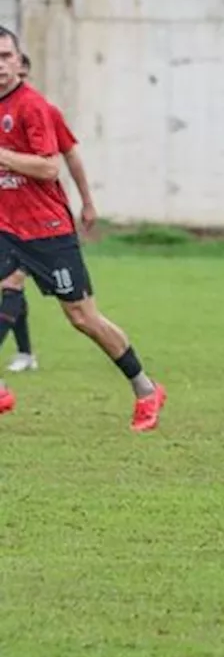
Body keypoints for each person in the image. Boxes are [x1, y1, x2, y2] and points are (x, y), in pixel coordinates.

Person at [0, 27, 165, 427]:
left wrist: (87, 202)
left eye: (5, 57)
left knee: (81, 317)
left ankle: (145, 388)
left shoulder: (33, 108)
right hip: (6, 228)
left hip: (47, 230)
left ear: (20, 62)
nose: (0, 66)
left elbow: (50, 165)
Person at [2, 52, 99, 373]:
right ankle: (26, 353)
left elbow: (69, 157)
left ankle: (25, 354)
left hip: (42, 223)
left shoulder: (42, 111)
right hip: (9, 220)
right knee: (12, 286)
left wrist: (86, 202)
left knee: (14, 284)